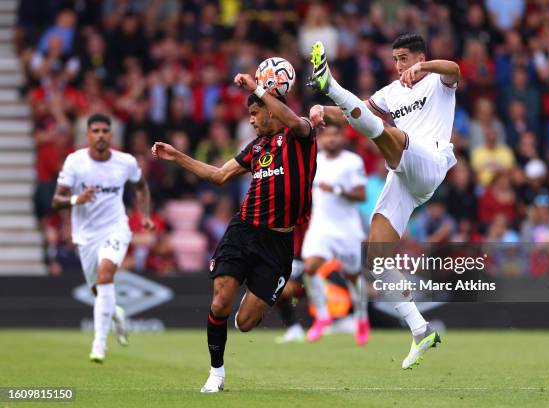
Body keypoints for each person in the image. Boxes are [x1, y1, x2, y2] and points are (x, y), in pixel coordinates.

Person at [152, 73, 316, 393]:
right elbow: (218, 175)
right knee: (219, 304)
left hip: (278, 243)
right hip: (243, 231)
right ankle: (216, 373)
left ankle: (262, 289)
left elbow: (294, 122)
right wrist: (178, 157)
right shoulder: (255, 149)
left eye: (254, 113)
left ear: (270, 110)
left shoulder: (301, 136)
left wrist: (258, 88)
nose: (252, 120)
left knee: (245, 323)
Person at [307, 34, 459, 369]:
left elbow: (455, 68)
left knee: (386, 134)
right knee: (375, 259)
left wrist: (424, 67)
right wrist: (322, 111)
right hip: (404, 178)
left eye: (405, 58)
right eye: (396, 59)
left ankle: (328, 82)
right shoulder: (390, 92)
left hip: (429, 161)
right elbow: (355, 114)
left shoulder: (437, 80)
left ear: (420, 56)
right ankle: (421, 331)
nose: (399, 66)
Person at [52, 113, 154, 363]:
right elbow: (56, 200)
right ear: (88, 135)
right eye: (95, 131)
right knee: (99, 290)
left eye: (104, 131)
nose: (100, 135)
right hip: (86, 235)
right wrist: (78, 199)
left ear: (111, 135)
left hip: (116, 228)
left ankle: (99, 346)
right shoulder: (75, 162)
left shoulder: (126, 162)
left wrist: (145, 215)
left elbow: (140, 186)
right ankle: (116, 313)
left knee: (105, 274)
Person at [301, 124, 369, 345]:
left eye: (334, 135)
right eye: (327, 135)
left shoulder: (352, 162)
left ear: (342, 138)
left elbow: (361, 195)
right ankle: (322, 316)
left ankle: (361, 317)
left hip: (348, 230)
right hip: (321, 227)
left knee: (353, 278)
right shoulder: (314, 159)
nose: (330, 139)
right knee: (310, 267)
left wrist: (336, 189)